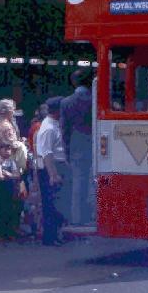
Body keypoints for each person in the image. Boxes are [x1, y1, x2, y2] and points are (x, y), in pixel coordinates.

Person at [60, 69, 94, 225]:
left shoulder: (66, 102)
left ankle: (78, 218)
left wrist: (66, 150)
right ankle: (95, 215)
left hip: (76, 144)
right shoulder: (95, 100)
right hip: (96, 143)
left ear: (73, 82)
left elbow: (64, 130)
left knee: (78, 182)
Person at [35, 96, 68, 246]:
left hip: (58, 165)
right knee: (50, 203)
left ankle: (56, 234)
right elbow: (47, 153)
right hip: (50, 168)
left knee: (58, 203)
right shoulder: (48, 128)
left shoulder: (55, 124)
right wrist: (53, 174)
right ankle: (50, 236)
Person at [0, 142, 24, 241]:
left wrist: (8, 174)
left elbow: (16, 175)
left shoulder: (11, 162)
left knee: (10, 210)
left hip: (9, 188)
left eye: (9, 149)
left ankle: (10, 232)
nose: (8, 152)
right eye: (5, 149)